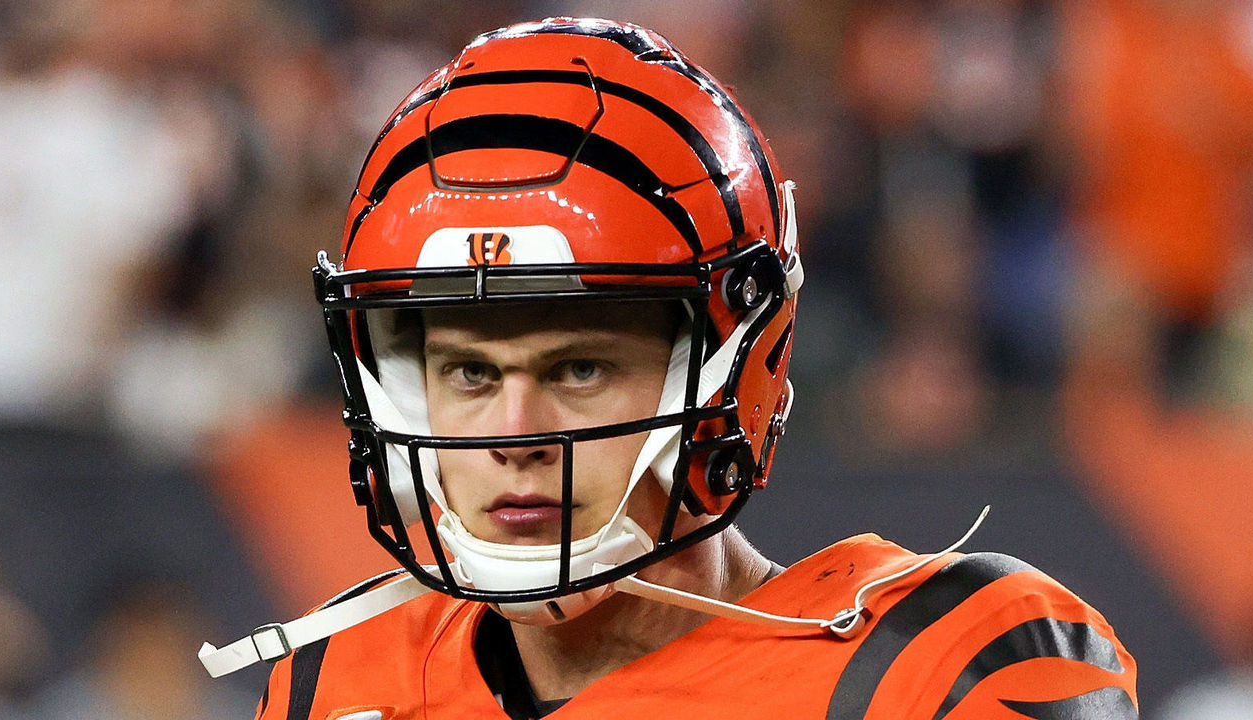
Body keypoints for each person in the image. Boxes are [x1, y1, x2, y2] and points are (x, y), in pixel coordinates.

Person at [198, 17, 1138, 719]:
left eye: (577, 370)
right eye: (472, 376)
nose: (513, 437)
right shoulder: (346, 676)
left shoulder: (933, 670)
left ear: (732, 375)